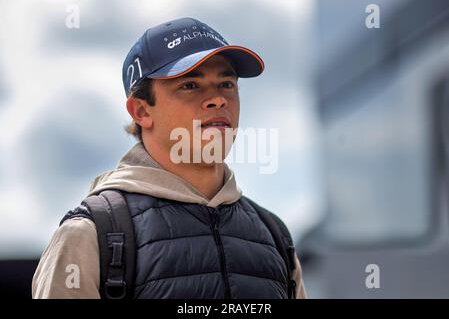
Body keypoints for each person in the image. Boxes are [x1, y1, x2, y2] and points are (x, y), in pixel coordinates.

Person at [32, 17, 307, 299]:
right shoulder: (89, 235)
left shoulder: (274, 235)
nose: (218, 100)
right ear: (141, 111)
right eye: (190, 85)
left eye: (226, 83)